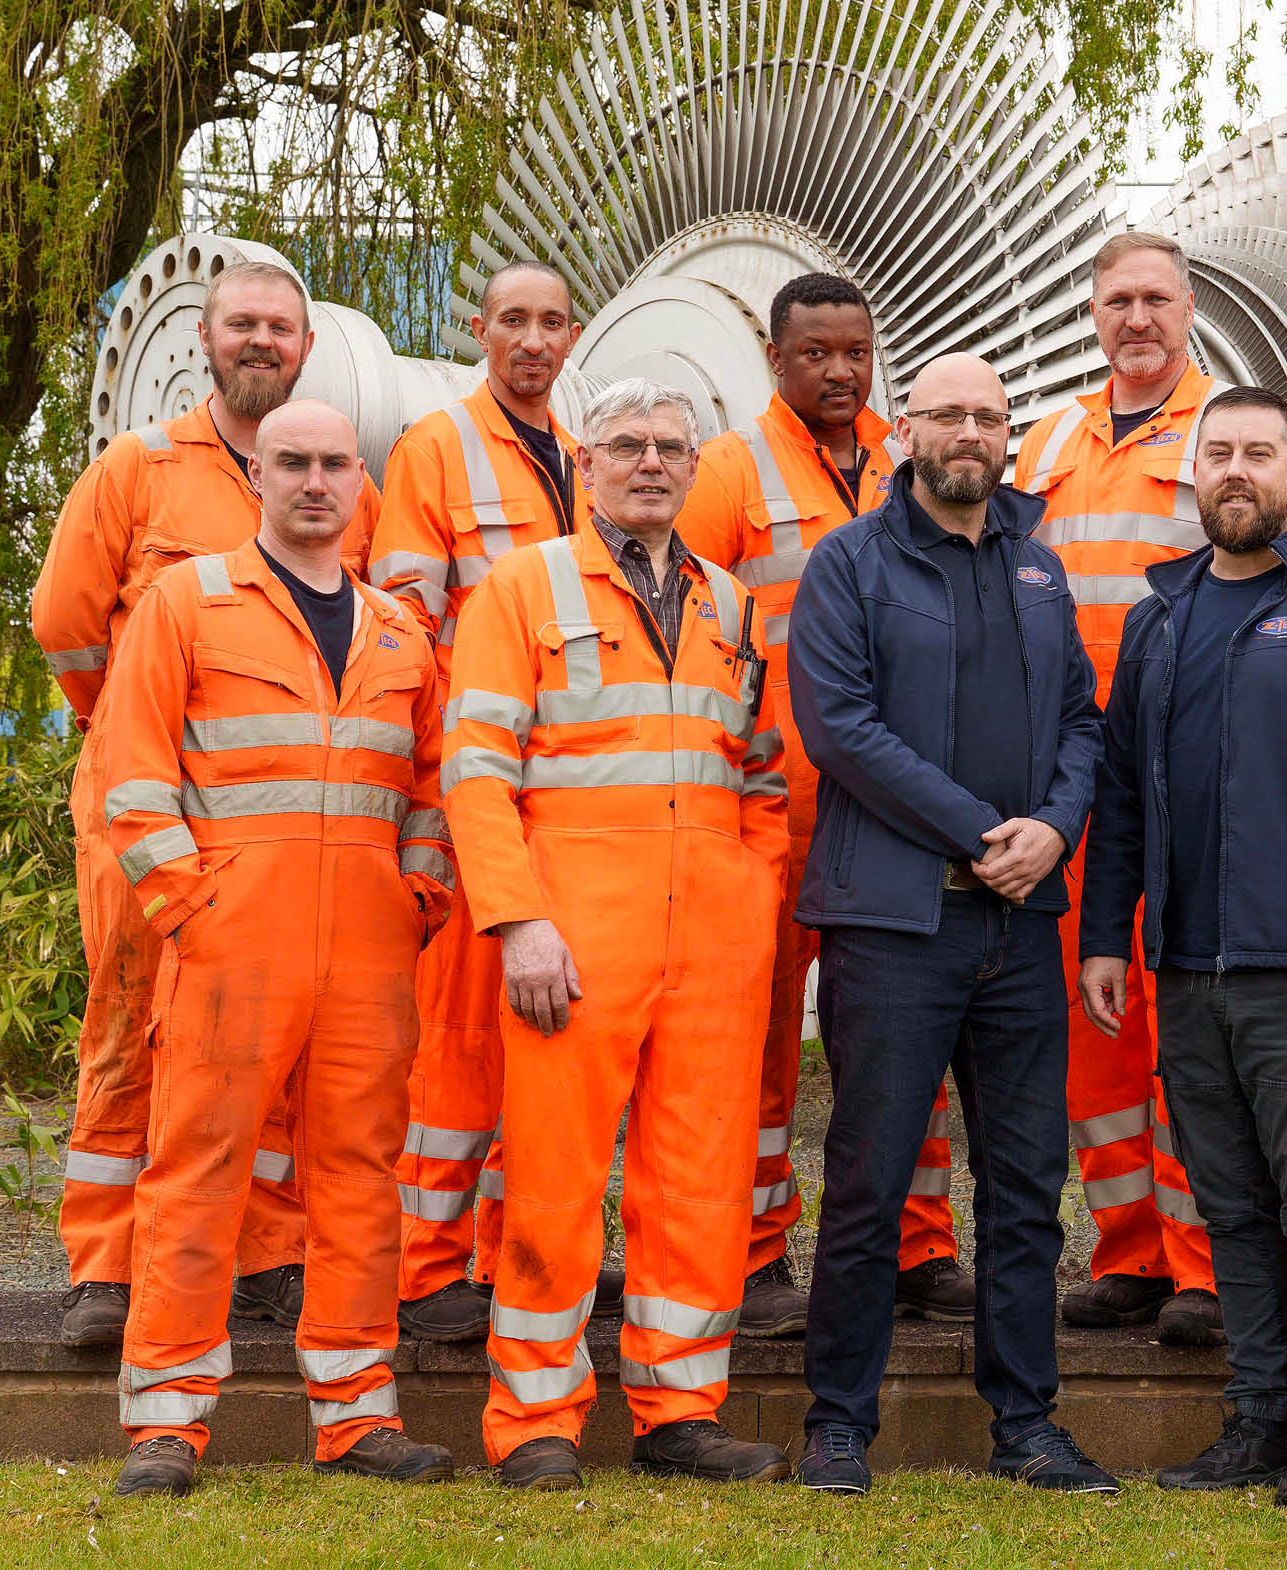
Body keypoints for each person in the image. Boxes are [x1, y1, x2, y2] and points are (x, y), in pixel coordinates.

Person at [91, 401, 454, 1498]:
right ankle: (166, 1422)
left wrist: (419, 894)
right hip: (231, 945)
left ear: (359, 482)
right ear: (257, 474)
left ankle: (356, 1415)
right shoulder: (186, 602)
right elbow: (134, 772)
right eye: (289, 461)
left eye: (333, 464)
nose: (312, 481)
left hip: (370, 956)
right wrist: (190, 909)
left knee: (358, 1180)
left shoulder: (401, 632)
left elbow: (430, 787)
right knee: (198, 1172)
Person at [442, 379, 791, 1491]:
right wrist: (521, 920)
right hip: (572, 943)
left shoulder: (732, 605)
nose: (651, 463)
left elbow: (764, 783)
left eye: (672, 448)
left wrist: (748, 909)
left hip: (709, 949)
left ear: (697, 469)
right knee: (550, 1179)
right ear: (586, 463)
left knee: (699, 1184)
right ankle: (535, 1425)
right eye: (629, 446)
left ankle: (680, 1411)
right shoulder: (523, 585)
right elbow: (477, 773)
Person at [1082, 387, 1287, 1512]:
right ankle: (1259, 1419)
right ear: (1194, 473)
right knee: (1229, 1206)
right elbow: (1123, 793)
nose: (1237, 469)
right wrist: (1106, 938)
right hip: (1187, 968)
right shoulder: (1159, 618)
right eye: (1217, 451)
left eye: (1258, 453)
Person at [32, 259, 380, 1347]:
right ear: (204, 336)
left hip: (266, 819)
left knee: (268, 1043)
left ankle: (262, 1257)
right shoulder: (139, 468)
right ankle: (105, 1266)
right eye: (242, 324)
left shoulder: (319, 473)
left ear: (306, 347)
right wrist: (139, 731)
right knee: (134, 1025)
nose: (261, 341)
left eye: (280, 326)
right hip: (143, 811)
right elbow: (67, 627)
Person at [786, 353, 1112, 1497]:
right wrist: (988, 830)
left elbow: (1082, 721)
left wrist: (1054, 831)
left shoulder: (1036, 566)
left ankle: (1026, 1423)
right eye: (946, 414)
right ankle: (838, 1422)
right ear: (906, 432)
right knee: (872, 1176)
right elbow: (842, 731)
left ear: (1006, 434)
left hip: (1019, 927)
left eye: (989, 415)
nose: (968, 431)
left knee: (1026, 1183)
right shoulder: (849, 564)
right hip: (893, 924)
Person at [675, 273, 969, 1337]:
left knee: (905, 1030)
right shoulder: (726, 470)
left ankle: (919, 1247)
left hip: (892, 808)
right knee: (750, 1041)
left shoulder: (908, 461)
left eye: (857, 349)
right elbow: (689, 629)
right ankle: (752, 1254)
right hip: (770, 807)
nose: (841, 371)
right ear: (776, 358)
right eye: (816, 354)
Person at [1013, 231, 1281, 1344]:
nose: (1138, 319)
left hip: (1188, 765)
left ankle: (1204, 1262)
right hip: (1070, 763)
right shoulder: (1048, 439)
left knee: (1186, 1026)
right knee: (1096, 1017)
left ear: (1188, 310)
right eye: (1118, 300)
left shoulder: (1228, 434)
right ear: (1092, 313)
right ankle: (1126, 1248)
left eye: (1156, 300)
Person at [368, 260, 598, 1343]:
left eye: (552, 323)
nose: (534, 340)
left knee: (538, 1029)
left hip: (565, 786)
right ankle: (425, 1269)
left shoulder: (584, 456)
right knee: (459, 1034)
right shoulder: (437, 448)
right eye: (514, 321)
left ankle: (511, 1258)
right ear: (479, 330)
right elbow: (407, 622)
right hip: (479, 773)